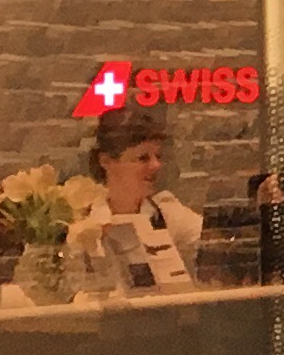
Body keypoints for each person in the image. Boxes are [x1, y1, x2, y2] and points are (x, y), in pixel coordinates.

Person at [73, 107, 203, 289]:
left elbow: (212, 243)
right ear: (106, 161)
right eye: (143, 158)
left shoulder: (168, 215)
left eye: (157, 156)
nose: (156, 165)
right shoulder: (81, 221)